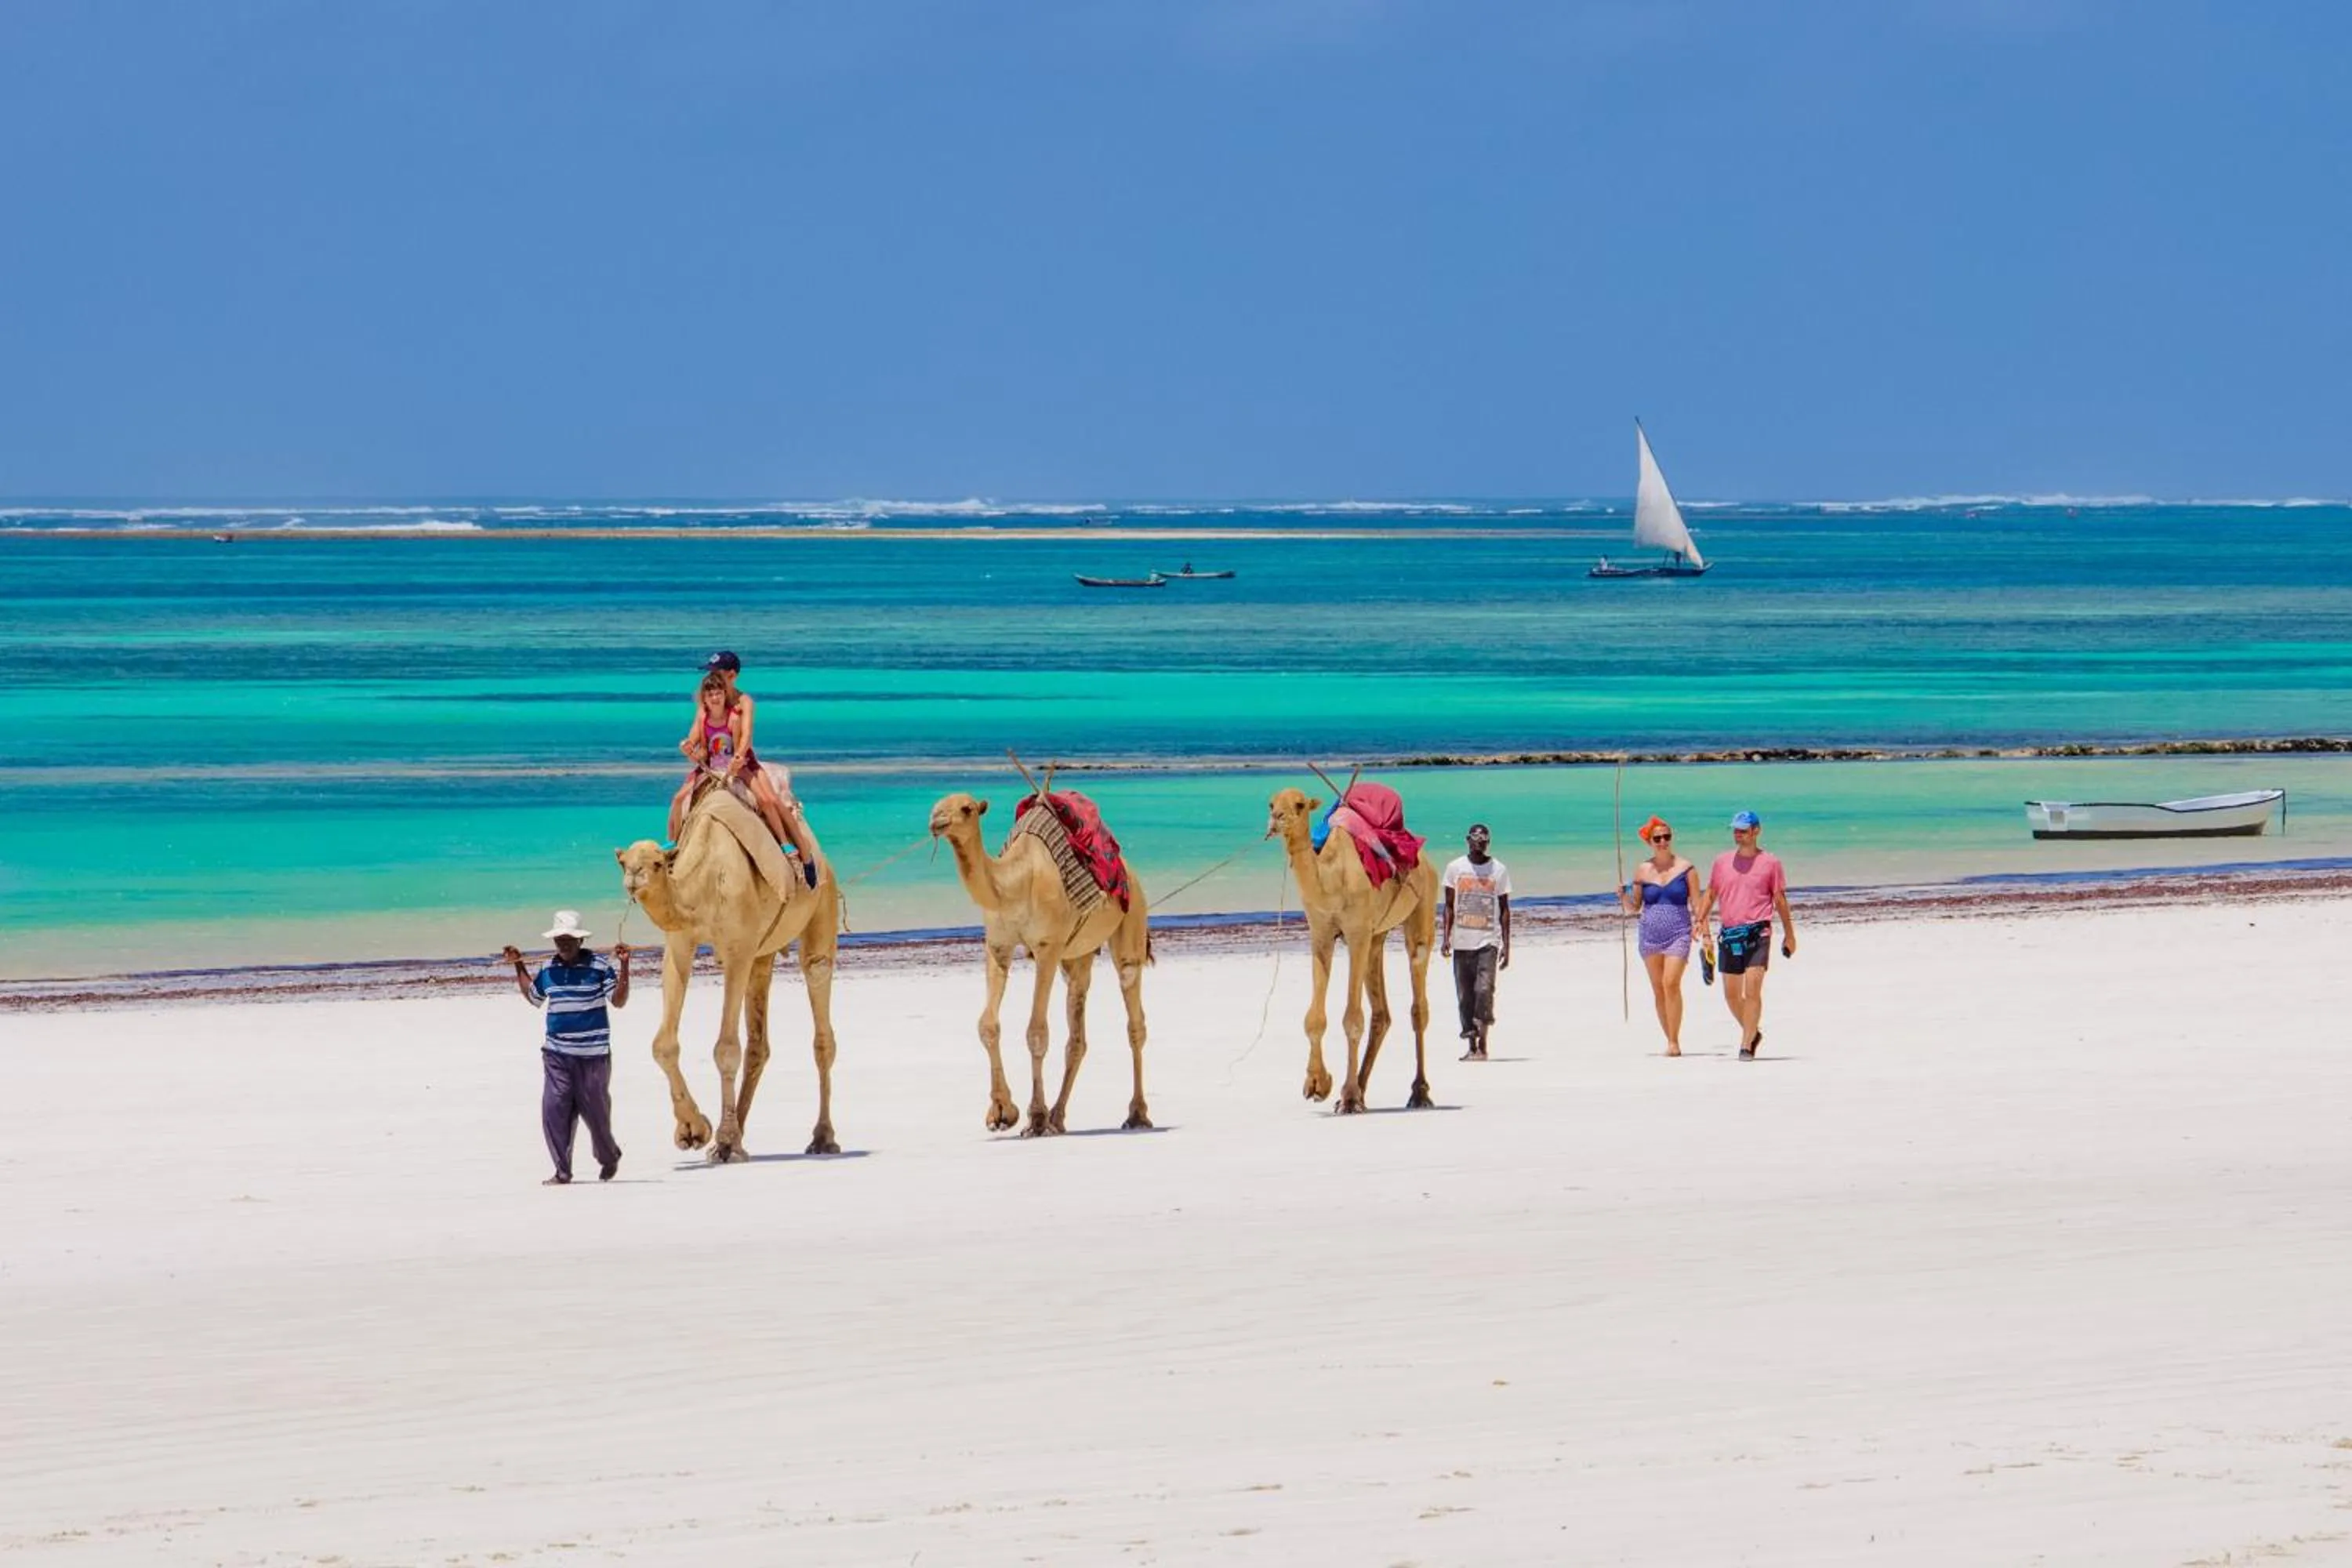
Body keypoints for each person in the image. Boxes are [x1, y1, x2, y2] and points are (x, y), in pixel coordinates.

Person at [503, 911, 631, 1185]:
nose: (564, 944)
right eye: (560, 939)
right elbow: (534, 996)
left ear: (580, 940)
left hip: (593, 1057)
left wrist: (624, 967)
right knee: (554, 1110)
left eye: (569, 939)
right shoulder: (549, 969)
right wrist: (518, 966)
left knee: (597, 1117)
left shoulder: (599, 966)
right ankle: (562, 1171)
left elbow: (618, 1001)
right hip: (557, 1055)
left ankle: (609, 1156)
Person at [683, 652, 808, 871]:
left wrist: (739, 756)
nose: (711, 677)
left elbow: (747, 735)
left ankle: (803, 856)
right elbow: (696, 731)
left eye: (716, 672)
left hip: (743, 763)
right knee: (682, 801)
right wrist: (688, 744)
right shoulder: (706, 702)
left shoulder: (744, 701)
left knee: (770, 801)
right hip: (713, 765)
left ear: (731, 675)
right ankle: (677, 850)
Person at [1693, 810, 1795, 1059]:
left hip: (1758, 932)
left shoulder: (1771, 863)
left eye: (1743, 830)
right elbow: (1711, 893)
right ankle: (1752, 1030)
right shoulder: (1722, 862)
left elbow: (1779, 899)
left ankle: (1746, 1043)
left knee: (1752, 990)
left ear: (1756, 831)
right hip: (1729, 934)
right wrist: (1699, 919)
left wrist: (1789, 934)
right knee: (1731, 995)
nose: (1738, 834)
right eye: (1735, 830)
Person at [1619, 815, 1700, 1056]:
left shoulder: (1686, 868)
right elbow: (1634, 908)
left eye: (1667, 837)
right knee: (1658, 989)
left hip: (1679, 932)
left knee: (1671, 983)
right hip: (1650, 935)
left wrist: (1703, 930)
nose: (1663, 841)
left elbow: (1698, 903)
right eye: (1658, 838)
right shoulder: (1642, 870)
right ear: (1650, 842)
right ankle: (1670, 1039)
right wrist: (1622, 896)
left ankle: (1675, 1041)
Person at [1439, 822, 1512, 1060]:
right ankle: (1471, 1045)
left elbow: (1504, 909)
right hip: (1462, 941)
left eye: (1483, 840)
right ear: (1467, 840)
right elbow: (1448, 907)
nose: (1479, 843)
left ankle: (1483, 1044)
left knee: (1484, 990)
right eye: (1475, 839)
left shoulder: (1498, 870)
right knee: (1465, 995)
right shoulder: (1455, 868)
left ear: (1488, 842)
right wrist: (1446, 937)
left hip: (1488, 941)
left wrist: (1507, 946)